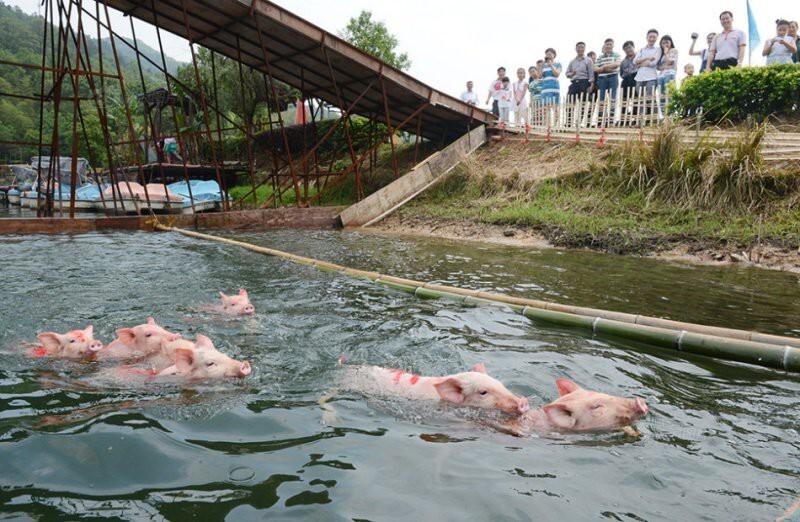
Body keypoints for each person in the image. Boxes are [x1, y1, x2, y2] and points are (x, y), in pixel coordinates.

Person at [595, 38, 622, 105]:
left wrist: (604, 67)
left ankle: (612, 114)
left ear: (613, 45)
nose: (609, 46)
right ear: (605, 45)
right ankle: (601, 115)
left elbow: (617, 64)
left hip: (613, 77)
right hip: (602, 79)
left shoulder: (617, 54)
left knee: (613, 97)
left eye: (610, 44)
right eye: (607, 44)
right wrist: (605, 69)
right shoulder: (600, 57)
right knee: (601, 97)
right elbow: (595, 69)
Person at [635, 29, 660, 95]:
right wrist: (647, 58)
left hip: (651, 77)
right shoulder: (641, 49)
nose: (652, 39)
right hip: (639, 77)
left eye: (654, 37)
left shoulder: (658, 49)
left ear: (657, 38)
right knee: (640, 99)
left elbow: (653, 63)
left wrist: (640, 64)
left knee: (650, 99)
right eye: (650, 37)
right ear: (646, 37)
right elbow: (635, 62)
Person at [656, 35, 678, 112]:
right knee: (661, 96)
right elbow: (658, 67)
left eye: (667, 42)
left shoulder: (673, 50)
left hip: (670, 75)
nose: (665, 44)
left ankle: (669, 116)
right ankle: (663, 116)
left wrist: (666, 53)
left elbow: (669, 62)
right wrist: (667, 66)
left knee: (669, 95)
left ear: (671, 43)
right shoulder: (661, 54)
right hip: (661, 76)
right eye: (663, 43)